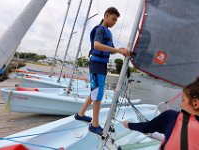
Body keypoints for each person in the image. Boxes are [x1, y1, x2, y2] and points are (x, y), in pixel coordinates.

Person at [74, 7, 130, 135]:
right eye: (113, 19)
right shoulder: (100, 29)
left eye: (116, 21)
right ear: (106, 16)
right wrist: (118, 50)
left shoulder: (107, 32)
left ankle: (81, 114)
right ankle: (94, 125)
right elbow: (97, 45)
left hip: (101, 65)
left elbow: (112, 49)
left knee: (94, 92)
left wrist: (122, 50)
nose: (114, 23)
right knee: (97, 95)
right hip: (97, 64)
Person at [123, 77, 199, 150]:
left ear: (195, 103)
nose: (180, 105)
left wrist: (128, 125)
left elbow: (147, 127)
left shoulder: (172, 118)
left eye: (183, 100)